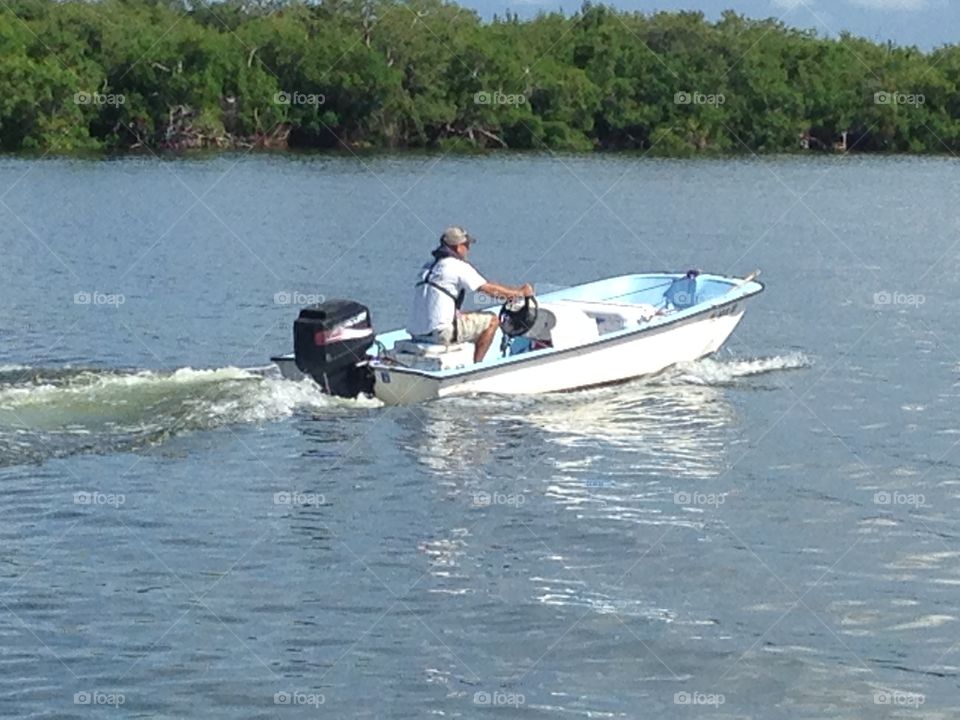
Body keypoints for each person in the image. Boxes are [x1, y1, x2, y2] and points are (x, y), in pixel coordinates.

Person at [407, 226, 534, 363]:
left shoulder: (428, 266)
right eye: (466, 245)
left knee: (465, 315)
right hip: (440, 334)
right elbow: (488, 289)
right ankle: (476, 367)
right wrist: (519, 293)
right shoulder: (457, 266)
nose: (468, 249)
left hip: (416, 332)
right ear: (458, 247)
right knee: (492, 320)